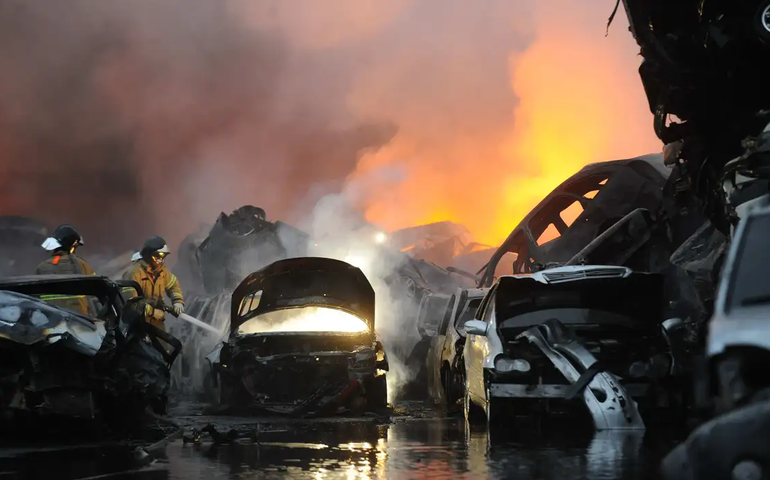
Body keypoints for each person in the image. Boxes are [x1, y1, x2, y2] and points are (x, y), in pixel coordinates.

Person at [122, 235, 185, 331]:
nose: (162, 260)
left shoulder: (162, 271)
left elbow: (173, 285)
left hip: (156, 323)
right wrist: (152, 312)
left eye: (164, 256)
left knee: (164, 345)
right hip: (136, 324)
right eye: (159, 256)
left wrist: (178, 302)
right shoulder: (134, 273)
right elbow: (131, 304)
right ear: (148, 254)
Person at [35, 224, 95, 314]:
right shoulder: (82, 264)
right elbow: (96, 290)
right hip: (81, 320)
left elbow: (36, 298)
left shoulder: (42, 267)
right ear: (71, 246)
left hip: (52, 320)